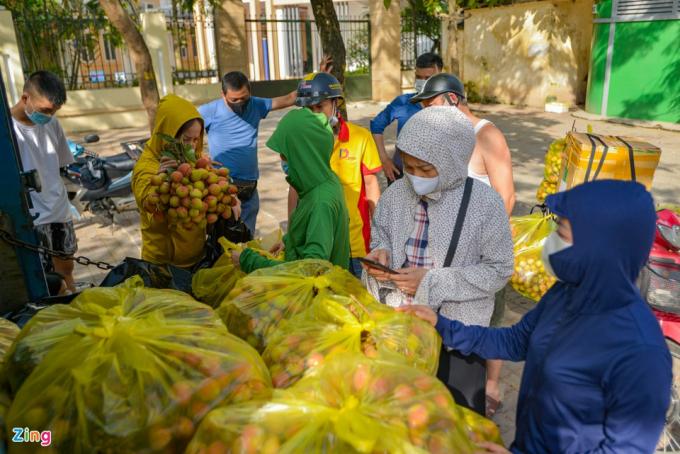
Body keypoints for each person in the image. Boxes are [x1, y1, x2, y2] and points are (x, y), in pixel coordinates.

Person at [400, 180, 672, 453]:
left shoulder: (640, 351)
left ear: (599, 245)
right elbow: (516, 341)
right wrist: (442, 326)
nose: (551, 240)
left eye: (562, 231)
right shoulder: (566, 293)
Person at [362, 106, 513, 415]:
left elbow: (499, 270)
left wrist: (431, 281)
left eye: (426, 169)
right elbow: (380, 235)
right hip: (401, 332)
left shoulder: (484, 204)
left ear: (452, 161)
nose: (414, 177)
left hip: (458, 339)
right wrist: (380, 253)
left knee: (451, 422)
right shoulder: (395, 195)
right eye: (409, 166)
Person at [413, 72, 516, 417]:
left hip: (482, 253)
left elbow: (506, 197)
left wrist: (478, 244)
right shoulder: (441, 138)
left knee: (488, 323)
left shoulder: (486, 135)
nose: (426, 111)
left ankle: (490, 385)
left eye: (430, 103)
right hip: (445, 255)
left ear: (453, 100)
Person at [198, 59, 332, 236]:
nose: (240, 103)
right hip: (223, 189)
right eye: (234, 100)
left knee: (246, 241)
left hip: (249, 190)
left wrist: (319, 79)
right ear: (223, 95)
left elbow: (291, 98)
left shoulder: (256, 104)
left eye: (244, 98)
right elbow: (188, 131)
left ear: (250, 92)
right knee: (223, 243)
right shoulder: (209, 111)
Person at [231, 106, 350, 273]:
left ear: (302, 154)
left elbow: (311, 271)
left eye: (286, 153)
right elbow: (310, 229)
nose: (281, 159)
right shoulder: (321, 182)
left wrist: (249, 261)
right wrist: (290, 240)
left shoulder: (321, 202)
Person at [285, 73, 382, 278]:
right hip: (316, 241)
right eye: (308, 109)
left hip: (355, 245)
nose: (315, 114)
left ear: (336, 103)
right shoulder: (301, 142)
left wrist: (381, 234)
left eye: (320, 107)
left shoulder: (360, 137)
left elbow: (372, 186)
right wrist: (293, 234)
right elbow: (295, 189)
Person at [11, 71, 77, 293]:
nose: (48, 116)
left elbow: (59, 165)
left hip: (59, 211)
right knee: (42, 281)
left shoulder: (52, 124)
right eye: (45, 111)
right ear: (25, 98)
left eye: (54, 112)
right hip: (30, 218)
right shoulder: (7, 131)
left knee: (66, 273)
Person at [132, 95, 209, 268]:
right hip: (164, 265)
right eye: (186, 139)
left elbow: (208, 187)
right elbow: (148, 203)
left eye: (196, 139)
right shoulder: (147, 167)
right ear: (169, 134)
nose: (191, 146)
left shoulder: (190, 158)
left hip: (196, 259)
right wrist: (161, 183)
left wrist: (229, 197)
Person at [370, 53, 442, 184]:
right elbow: (376, 125)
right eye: (418, 77)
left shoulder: (449, 106)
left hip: (436, 178)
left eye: (428, 78)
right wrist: (384, 159)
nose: (422, 82)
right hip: (402, 175)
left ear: (439, 77)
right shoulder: (403, 103)